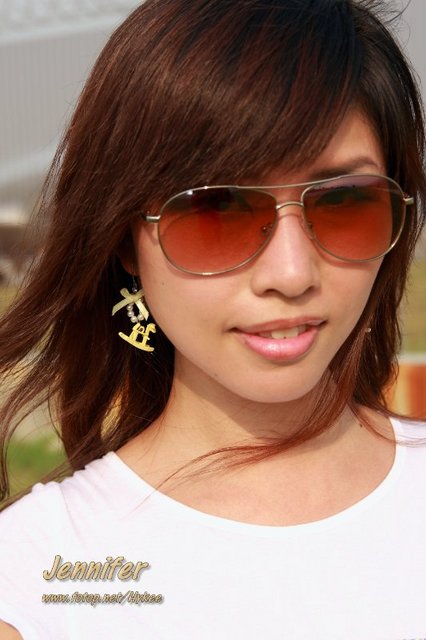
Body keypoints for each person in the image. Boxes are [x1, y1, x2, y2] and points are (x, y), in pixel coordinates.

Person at [0, 0, 425, 637]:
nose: (292, 274)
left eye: (343, 203)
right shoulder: (37, 577)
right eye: (216, 212)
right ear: (125, 240)